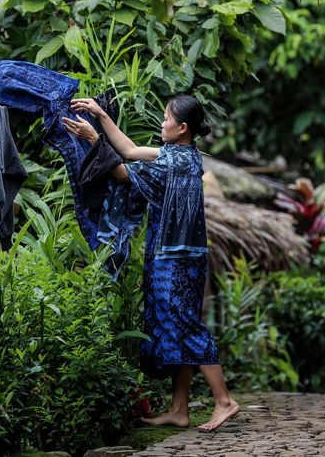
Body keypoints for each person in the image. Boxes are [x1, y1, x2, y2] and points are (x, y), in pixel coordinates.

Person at [62, 95, 240, 432]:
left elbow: (121, 171)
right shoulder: (181, 154)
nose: (161, 123)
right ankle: (179, 409)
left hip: (177, 258)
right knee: (176, 327)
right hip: (175, 254)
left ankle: (224, 401)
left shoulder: (174, 163)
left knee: (186, 326)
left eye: (166, 118)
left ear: (182, 127)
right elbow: (128, 150)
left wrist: (92, 139)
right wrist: (100, 115)